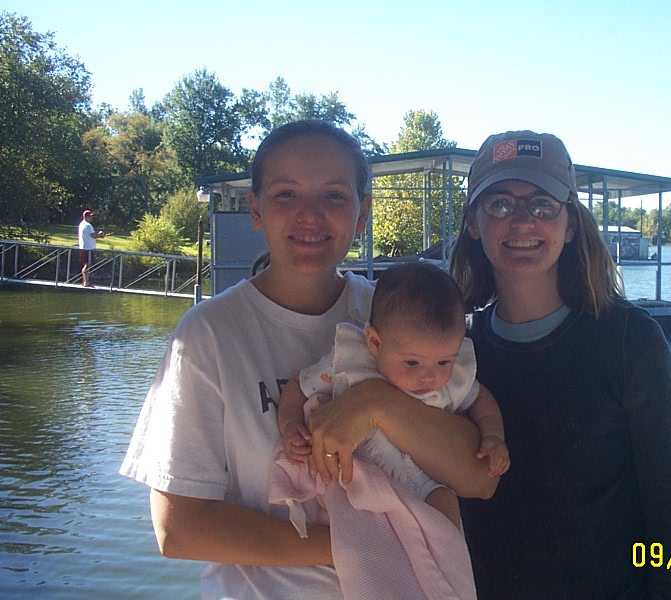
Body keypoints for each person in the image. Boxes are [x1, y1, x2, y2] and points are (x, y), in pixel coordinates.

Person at [119, 120, 499, 600]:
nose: (310, 216)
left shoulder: (403, 317)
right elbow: (181, 529)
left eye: (335, 196)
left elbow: (479, 479)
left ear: (363, 213)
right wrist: (362, 545)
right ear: (255, 209)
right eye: (285, 195)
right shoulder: (208, 335)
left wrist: (376, 403)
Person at [449, 130, 671, 599]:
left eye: (543, 205)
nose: (522, 221)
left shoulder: (631, 341)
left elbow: (668, 519)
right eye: (499, 204)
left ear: (571, 224)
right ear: (473, 222)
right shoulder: (452, 355)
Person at [270, 261, 509, 599]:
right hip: (358, 474)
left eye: (444, 361)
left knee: (445, 508)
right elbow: (299, 385)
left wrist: (494, 437)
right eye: (412, 363)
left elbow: (481, 400)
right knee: (365, 556)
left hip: (419, 480)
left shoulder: (450, 376)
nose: (428, 376)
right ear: (375, 342)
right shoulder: (348, 361)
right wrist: (291, 424)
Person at [77, 210, 108, 286]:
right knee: (88, 264)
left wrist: (99, 236)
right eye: (90, 216)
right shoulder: (88, 225)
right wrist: (100, 234)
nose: (91, 218)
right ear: (86, 217)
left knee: (87, 264)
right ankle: (86, 282)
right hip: (88, 248)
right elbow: (93, 235)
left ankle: (85, 282)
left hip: (83, 247)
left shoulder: (81, 224)